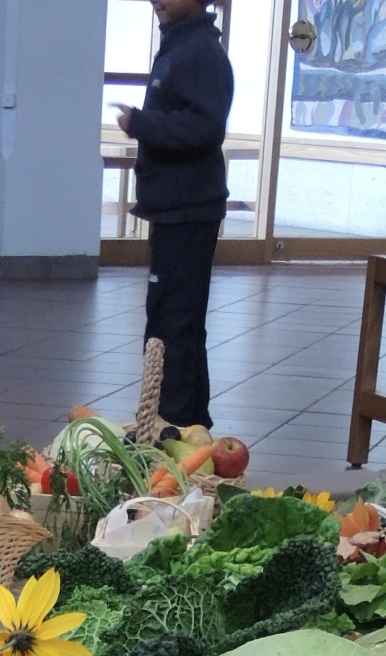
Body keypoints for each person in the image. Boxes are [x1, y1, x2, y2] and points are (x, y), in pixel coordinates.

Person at [115, 0, 232, 434]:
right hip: (175, 209)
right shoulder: (181, 47)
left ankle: (175, 423)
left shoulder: (201, 53)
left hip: (189, 209)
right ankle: (189, 424)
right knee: (173, 317)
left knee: (173, 322)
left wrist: (142, 125)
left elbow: (204, 128)